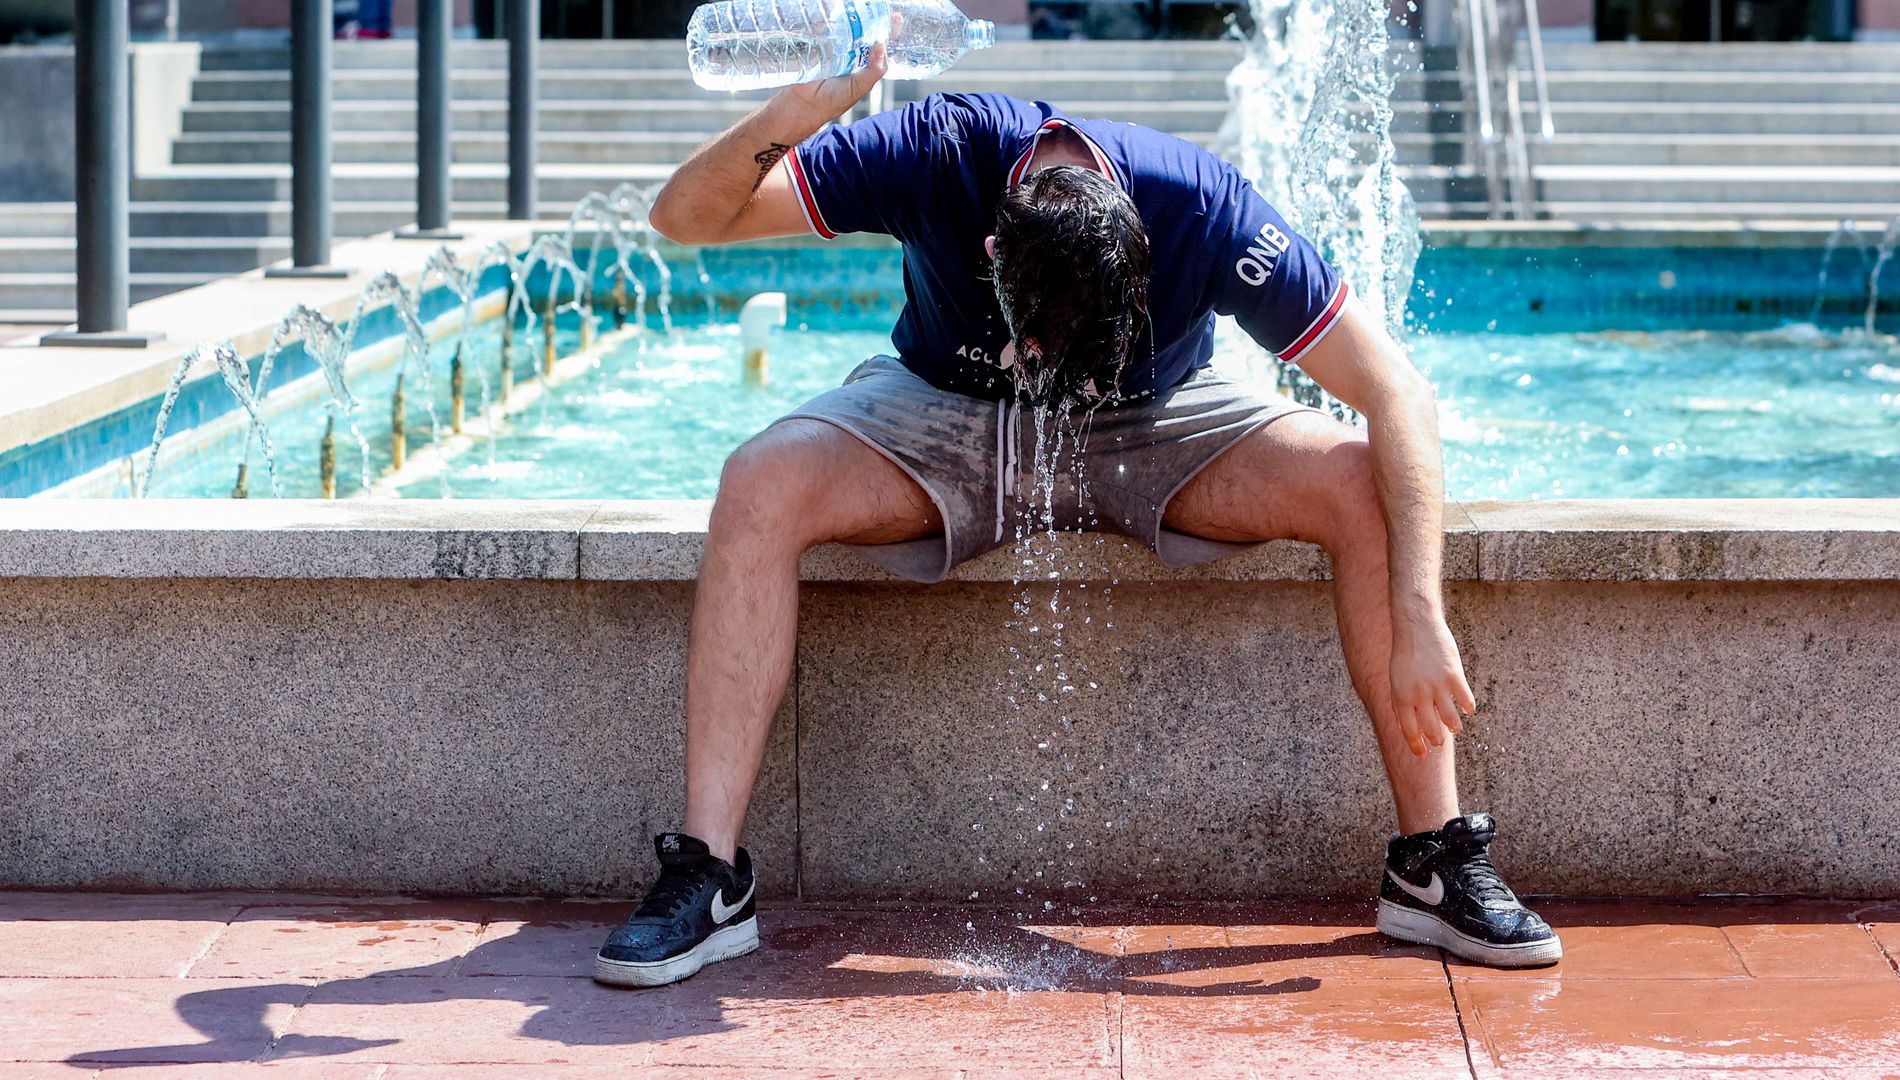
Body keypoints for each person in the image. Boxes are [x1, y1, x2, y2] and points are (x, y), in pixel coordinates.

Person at [594, 48, 1562, 988]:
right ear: (993, 255)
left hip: (1156, 422)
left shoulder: (1206, 210)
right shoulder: (932, 153)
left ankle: (1431, 864)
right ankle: (709, 877)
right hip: (950, 412)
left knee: (1359, 480)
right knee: (758, 479)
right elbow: (686, 218)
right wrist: (796, 113)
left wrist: (1421, 613)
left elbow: (1397, 393)